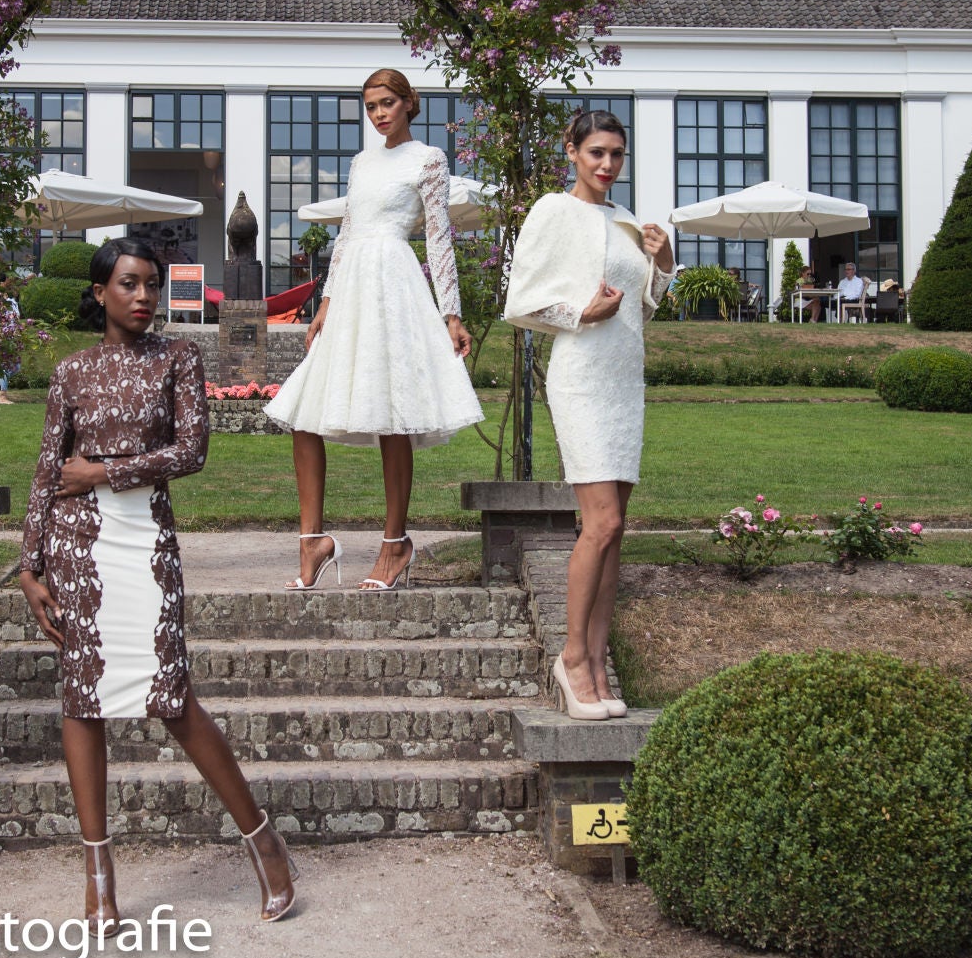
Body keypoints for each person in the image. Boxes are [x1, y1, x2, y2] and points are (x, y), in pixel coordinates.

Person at [19, 238, 298, 926]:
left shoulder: (178, 357)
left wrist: (104, 471)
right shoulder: (71, 372)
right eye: (129, 283)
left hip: (144, 538)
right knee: (83, 701)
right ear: (100, 292)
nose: (143, 296)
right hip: (76, 545)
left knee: (172, 699)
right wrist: (29, 567)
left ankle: (265, 843)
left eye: (151, 284)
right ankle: (99, 879)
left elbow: (192, 451)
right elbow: (48, 470)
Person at [263, 68, 484, 591]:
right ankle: (312, 541)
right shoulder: (361, 163)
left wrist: (451, 314)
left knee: (393, 413)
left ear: (408, 103)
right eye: (370, 106)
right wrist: (325, 302)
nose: (379, 113)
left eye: (387, 102)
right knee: (304, 412)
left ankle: (395, 543)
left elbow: (438, 238)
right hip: (351, 291)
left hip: (394, 286)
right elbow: (347, 233)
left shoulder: (428, 159)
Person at [502, 107, 674, 720]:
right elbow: (519, 302)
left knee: (616, 528)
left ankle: (599, 665)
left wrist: (663, 266)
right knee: (600, 522)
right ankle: (572, 657)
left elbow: (641, 310)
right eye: (596, 152)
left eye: (616, 154)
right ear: (571, 151)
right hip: (580, 378)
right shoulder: (552, 211)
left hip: (625, 379)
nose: (607, 164)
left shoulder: (626, 221)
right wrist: (581, 313)